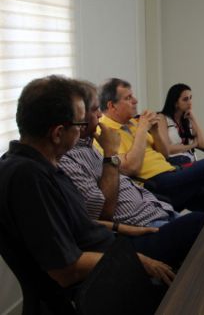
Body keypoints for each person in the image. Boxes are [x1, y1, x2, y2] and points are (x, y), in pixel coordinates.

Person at [0, 75, 174, 293]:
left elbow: (74, 223)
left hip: (113, 248)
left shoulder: (41, 164)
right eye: (81, 123)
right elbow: (65, 270)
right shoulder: (29, 178)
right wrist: (138, 259)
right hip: (98, 285)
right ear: (58, 133)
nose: (84, 129)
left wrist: (122, 228)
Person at [59, 81, 204, 268]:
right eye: (95, 110)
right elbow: (103, 211)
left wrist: (153, 130)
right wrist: (112, 152)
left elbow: (164, 154)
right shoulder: (101, 138)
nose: (99, 114)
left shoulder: (92, 142)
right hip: (144, 213)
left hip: (157, 206)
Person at [98, 78, 204, 213]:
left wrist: (155, 132)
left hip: (170, 171)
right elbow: (131, 168)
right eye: (128, 98)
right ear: (112, 106)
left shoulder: (133, 123)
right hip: (152, 184)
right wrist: (142, 129)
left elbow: (164, 154)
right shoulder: (104, 132)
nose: (135, 101)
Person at [157, 83, 204, 165]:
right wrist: (192, 145)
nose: (190, 102)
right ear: (175, 103)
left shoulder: (188, 118)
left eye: (190, 98)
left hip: (188, 161)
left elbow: (203, 144)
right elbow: (166, 148)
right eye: (185, 99)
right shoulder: (162, 118)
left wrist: (193, 119)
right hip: (173, 162)